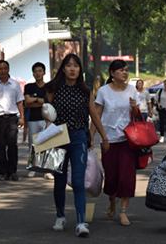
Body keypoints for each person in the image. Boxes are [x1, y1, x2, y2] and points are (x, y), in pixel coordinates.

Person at [46, 54, 108, 237]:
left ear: (80, 69)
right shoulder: (53, 88)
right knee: (59, 179)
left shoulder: (85, 90)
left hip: (79, 137)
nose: (72, 69)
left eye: (76, 66)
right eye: (69, 65)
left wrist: (104, 138)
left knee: (79, 182)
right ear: (63, 68)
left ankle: (81, 223)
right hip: (58, 138)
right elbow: (47, 113)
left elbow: (94, 116)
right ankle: (60, 216)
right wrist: (48, 130)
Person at [92, 59, 140, 227]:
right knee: (111, 178)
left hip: (128, 140)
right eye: (121, 70)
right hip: (109, 140)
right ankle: (113, 199)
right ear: (112, 73)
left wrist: (135, 108)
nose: (125, 73)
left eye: (126, 70)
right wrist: (91, 138)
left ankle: (123, 211)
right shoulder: (104, 91)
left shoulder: (132, 90)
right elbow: (96, 116)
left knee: (127, 177)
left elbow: (139, 117)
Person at [24, 61, 53, 180]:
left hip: (47, 120)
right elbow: (27, 103)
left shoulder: (49, 87)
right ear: (33, 73)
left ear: (44, 72)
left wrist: (34, 99)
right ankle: (33, 167)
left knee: (47, 144)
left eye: (40, 71)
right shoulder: (29, 87)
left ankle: (47, 171)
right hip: (33, 119)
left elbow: (50, 103)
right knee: (33, 145)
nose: (37, 73)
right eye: (35, 71)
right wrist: (41, 101)